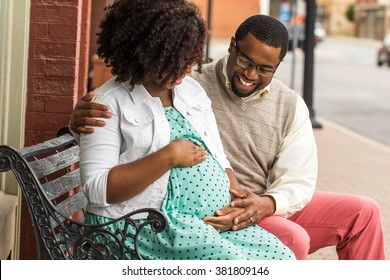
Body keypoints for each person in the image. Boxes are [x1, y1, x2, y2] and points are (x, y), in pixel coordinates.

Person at [72, 13, 386, 260]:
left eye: (264, 69)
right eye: (246, 62)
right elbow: (124, 119)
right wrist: (76, 122)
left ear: (278, 67)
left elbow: (297, 181)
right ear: (233, 45)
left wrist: (266, 203)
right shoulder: (189, 82)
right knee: (292, 239)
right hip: (200, 214)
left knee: (365, 211)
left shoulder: (289, 105)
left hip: (259, 200)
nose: (251, 75)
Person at [78, 0, 295, 260]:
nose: (183, 71)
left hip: (207, 224)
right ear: (144, 54)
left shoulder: (190, 91)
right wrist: (167, 157)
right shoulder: (109, 102)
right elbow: (97, 189)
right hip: (145, 227)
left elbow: (219, 157)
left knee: (283, 259)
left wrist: (234, 205)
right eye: (173, 62)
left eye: (187, 60)